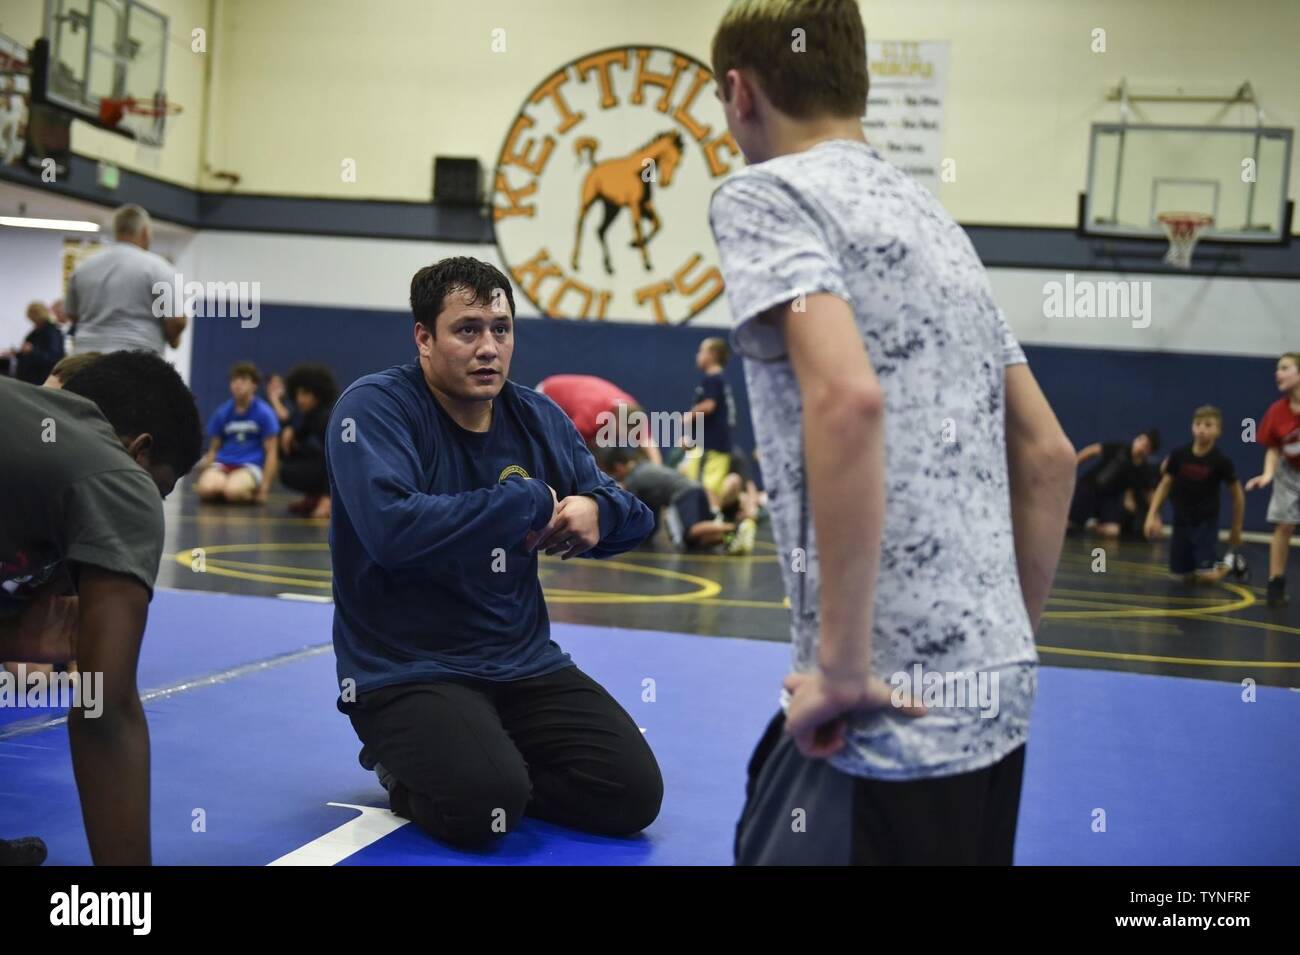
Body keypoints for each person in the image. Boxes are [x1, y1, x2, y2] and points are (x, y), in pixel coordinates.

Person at [707, 0, 1076, 865]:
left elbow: (848, 399)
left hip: (879, 717)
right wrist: (990, 658)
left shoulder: (767, 195)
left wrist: (840, 669)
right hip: (995, 696)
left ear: (739, 92)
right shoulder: (937, 224)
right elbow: (1050, 458)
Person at [326, 256, 662, 850]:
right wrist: (527, 499)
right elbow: (392, 532)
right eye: (468, 329)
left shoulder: (536, 417)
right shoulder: (374, 409)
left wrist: (598, 513)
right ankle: (401, 763)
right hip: (407, 669)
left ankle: (488, 759)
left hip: (523, 663)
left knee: (631, 794)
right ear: (424, 338)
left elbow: (636, 518)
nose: (489, 348)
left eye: (501, 330)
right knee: (484, 809)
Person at [0, 351, 203, 865]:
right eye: (160, 489)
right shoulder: (119, 476)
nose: (148, 502)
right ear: (139, 452)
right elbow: (103, 709)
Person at [64, 204, 187, 355]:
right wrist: (172, 338)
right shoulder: (159, 268)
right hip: (137, 358)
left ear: (117, 231)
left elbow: (71, 314)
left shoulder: (83, 268)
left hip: (86, 357)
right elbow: (176, 320)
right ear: (144, 233)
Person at [1143, 406, 1245, 583]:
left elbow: (1237, 495)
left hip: (1205, 522)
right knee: (1180, 576)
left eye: (1208, 425)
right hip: (1181, 520)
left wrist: (1236, 528)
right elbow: (1164, 485)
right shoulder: (1178, 455)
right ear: (1192, 427)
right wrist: (1151, 515)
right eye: (1198, 424)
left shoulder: (1221, 461)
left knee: (1207, 576)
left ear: (1218, 431)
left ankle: (1231, 562)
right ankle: (1207, 563)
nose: (1202, 429)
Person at [600, 446, 752, 552]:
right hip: (695, 489)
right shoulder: (644, 466)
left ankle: (736, 527)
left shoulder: (633, 479)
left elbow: (634, 513)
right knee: (694, 542)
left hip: (684, 494)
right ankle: (730, 537)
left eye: (612, 473)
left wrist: (617, 537)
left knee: (690, 532)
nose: (614, 477)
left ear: (619, 467)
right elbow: (650, 510)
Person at [1245, 352, 1300, 608]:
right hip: (1288, 471)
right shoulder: (1277, 411)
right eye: (1277, 368)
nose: (1277, 373)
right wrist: (1267, 474)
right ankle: (1275, 583)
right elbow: (1273, 448)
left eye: (1284, 368)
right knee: (1284, 525)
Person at [195, 362, 280, 505]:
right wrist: (206, 471)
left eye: (243, 380)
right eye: (234, 380)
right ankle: (224, 488)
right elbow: (214, 448)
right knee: (206, 490)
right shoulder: (223, 412)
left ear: (254, 385)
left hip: (250, 466)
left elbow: (271, 452)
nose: (238, 384)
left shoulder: (265, 413)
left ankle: (238, 491)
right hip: (223, 464)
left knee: (233, 492)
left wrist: (264, 488)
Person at [535, 374, 663, 465]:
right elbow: (567, 445)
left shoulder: (633, 413)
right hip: (548, 392)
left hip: (585, 395)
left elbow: (649, 446)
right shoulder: (591, 415)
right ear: (617, 421)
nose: (627, 438)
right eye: (625, 434)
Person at [267, 364, 339, 518]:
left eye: (305, 394)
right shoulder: (308, 415)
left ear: (317, 395)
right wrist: (290, 429)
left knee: (326, 458)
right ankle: (312, 497)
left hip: (340, 470)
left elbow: (336, 460)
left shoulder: (325, 418)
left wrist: (328, 498)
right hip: (321, 467)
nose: (299, 399)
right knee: (288, 455)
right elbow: (291, 425)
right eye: (297, 394)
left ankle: (327, 499)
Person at [1069, 430, 1160, 538]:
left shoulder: (1143, 469)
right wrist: (1074, 462)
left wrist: (1155, 517)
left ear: (1149, 451)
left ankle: (1093, 525)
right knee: (1070, 525)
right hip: (1089, 488)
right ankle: (1081, 520)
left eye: (1146, 446)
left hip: (1108, 499)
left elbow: (1148, 492)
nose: (1140, 446)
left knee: (1112, 531)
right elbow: (1093, 450)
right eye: (1140, 440)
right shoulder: (1119, 448)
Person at [680, 337, 736, 502]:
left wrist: (689, 416)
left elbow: (709, 405)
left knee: (706, 488)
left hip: (711, 446)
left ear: (712, 355)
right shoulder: (721, 380)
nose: (697, 356)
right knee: (698, 482)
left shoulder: (713, 379)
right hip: (713, 445)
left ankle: (711, 520)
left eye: (701, 351)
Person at [1, 302, 64, 384]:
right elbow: (27, 353)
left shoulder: (52, 332)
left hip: (40, 378)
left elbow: (53, 357)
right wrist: (16, 353)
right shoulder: (35, 331)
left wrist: (32, 350)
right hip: (27, 378)